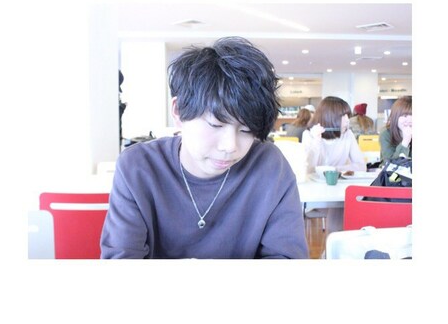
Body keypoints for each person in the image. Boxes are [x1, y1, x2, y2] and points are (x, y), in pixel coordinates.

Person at [100, 36, 309, 259]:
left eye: (246, 130)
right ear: (178, 111)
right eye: (216, 124)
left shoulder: (270, 167)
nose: (230, 146)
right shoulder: (138, 167)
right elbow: (122, 261)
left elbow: (287, 260)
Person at [301, 96, 366, 174]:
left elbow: (362, 166)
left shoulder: (348, 135)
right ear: (328, 116)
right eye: (343, 116)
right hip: (314, 181)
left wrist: (333, 169)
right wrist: (316, 142)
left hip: (338, 181)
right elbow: (308, 170)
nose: (347, 120)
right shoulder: (309, 135)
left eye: (347, 116)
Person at [380, 95, 412, 160]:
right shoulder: (386, 134)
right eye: (405, 116)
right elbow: (391, 162)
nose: (409, 120)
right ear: (395, 117)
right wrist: (405, 141)